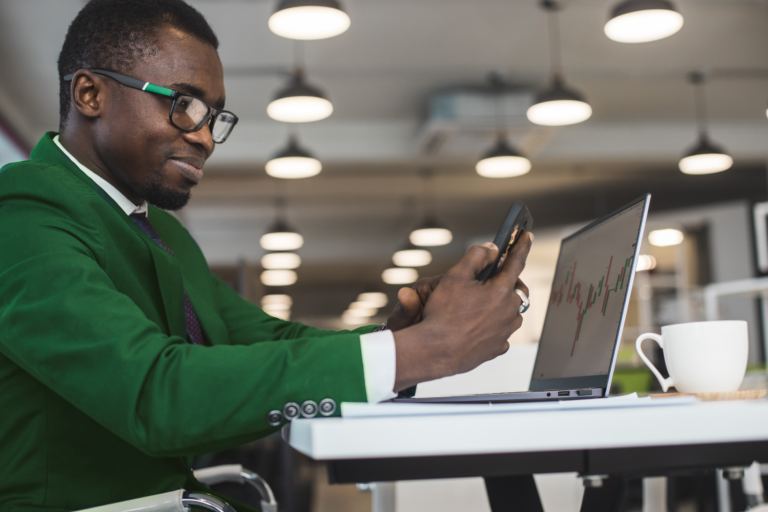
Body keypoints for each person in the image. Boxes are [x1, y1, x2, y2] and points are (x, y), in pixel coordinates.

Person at [0, 1, 532, 511]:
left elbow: (267, 340)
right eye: (182, 105)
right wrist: (426, 351)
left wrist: (404, 335)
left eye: (214, 115)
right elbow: (155, 392)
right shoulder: (22, 213)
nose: (206, 137)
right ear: (90, 94)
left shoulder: (156, 227)